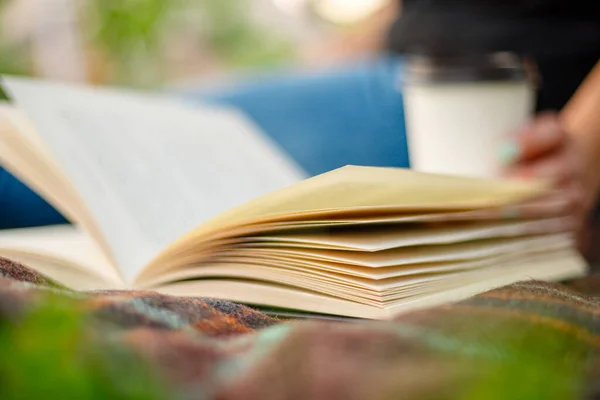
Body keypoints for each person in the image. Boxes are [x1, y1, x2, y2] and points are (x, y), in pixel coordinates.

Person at [2, 0, 600, 251]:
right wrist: (311, 73)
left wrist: (582, 149)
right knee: (127, 131)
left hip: (491, 99)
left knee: (53, 157)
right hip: (404, 70)